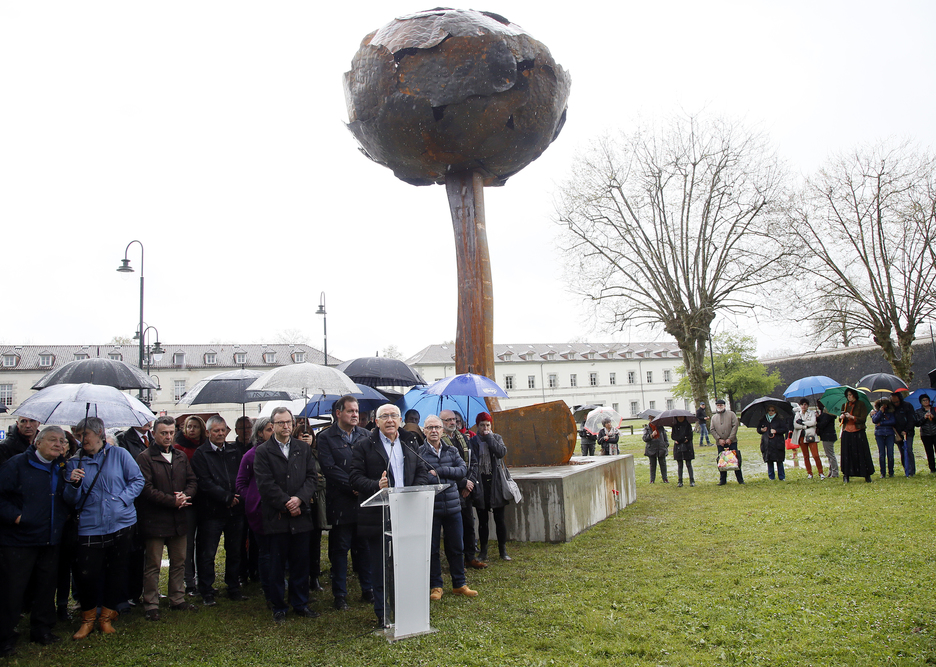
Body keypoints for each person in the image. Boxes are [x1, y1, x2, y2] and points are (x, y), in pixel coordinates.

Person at [350, 403, 431, 627]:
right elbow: (354, 478)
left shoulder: (410, 441)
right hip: (379, 516)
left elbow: (421, 471)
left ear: (399, 420)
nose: (389, 420)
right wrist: (376, 484)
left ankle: (404, 609)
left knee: (405, 565)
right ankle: (382, 614)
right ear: (376, 422)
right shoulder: (364, 446)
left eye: (394, 416)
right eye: (384, 416)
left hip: (407, 513)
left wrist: (416, 490)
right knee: (381, 567)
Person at [64, 417, 144, 639]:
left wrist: (122, 500)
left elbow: (137, 480)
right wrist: (73, 484)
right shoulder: (75, 462)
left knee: (117, 570)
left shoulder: (119, 455)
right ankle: (88, 618)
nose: (82, 441)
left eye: (85, 435)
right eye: (79, 436)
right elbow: (70, 500)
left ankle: (107, 616)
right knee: (87, 574)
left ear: (99, 433)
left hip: (121, 522)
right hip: (89, 525)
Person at [0, 426, 70, 656]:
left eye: (61, 440)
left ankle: (42, 629)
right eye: (52, 440)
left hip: (50, 538)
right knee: (12, 590)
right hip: (19, 540)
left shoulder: (61, 467)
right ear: (38, 443)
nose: (58, 444)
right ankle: (5, 637)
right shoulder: (17, 464)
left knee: (45, 586)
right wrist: (17, 517)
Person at [254, 407, 320, 624]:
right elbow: (265, 484)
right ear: (272, 425)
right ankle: (278, 606)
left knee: (301, 562)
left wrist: (299, 499)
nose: (286, 427)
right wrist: (286, 502)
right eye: (281, 423)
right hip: (277, 517)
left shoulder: (303, 448)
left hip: (301, 516)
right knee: (276, 564)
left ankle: (300, 603)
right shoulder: (263, 452)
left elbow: (312, 477)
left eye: (288, 422)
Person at [135, 416, 198, 621]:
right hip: (155, 519)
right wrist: (173, 501)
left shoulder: (180, 456)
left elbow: (192, 480)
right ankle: (151, 603)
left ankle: (177, 598)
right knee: (153, 563)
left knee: (179, 561)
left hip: (178, 519)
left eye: (171, 433)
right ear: (154, 434)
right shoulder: (144, 458)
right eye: (164, 433)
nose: (168, 437)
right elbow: (146, 489)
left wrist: (185, 496)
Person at [317, 396, 373, 611]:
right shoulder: (325, 438)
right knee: (340, 550)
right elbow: (329, 469)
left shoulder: (366, 435)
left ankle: (367, 589)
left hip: (363, 500)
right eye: (350, 411)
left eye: (357, 411)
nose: (355, 415)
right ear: (338, 413)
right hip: (341, 501)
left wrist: (364, 485)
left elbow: (370, 464)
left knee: (364, 547)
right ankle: (340, 594)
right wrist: (353, 486)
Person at [191, 415, 248, 606]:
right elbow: (204, 482)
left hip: (235, 510)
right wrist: (226, 497)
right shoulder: (201, 454)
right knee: (207, 553)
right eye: (216, 430)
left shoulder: (234, 451)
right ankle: (206, 590)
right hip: (211, 512)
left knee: (234, 551)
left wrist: (236, 497)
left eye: (223, 430)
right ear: (208, 433)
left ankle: (233, 586)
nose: (221, 434)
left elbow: (241, 475)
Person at [419, 415, 478, 600]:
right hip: (431, 507)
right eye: (430, 428)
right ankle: (436, 586)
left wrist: (440, 471)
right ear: (424, 431)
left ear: (442, 430)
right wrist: (448, 475)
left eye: (437, 427)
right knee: (433, 548)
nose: (434, 431)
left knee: (456, 546)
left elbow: (462, 471)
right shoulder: (419, 453)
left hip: (453, 506)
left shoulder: (452, 451)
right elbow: (421, 477)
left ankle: (459, 584)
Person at [235, 417, 274, 604]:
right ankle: (268, 588)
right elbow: (241, 483)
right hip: (260, 510)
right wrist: (252, 498)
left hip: (279, 509)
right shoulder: (250, 455)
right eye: (269, 430)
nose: (273, 433)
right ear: (260, 433)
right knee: (265, 551)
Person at [440, 409, 483, 570]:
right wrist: (462, 483)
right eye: (448, 420)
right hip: (453, 491)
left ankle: (470, 556)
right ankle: (457, 561)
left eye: (454, 420)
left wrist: (470, 482)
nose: (452, 422)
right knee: (454, 530)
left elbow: (473, 462)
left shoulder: (464, 439)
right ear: (441, 423)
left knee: (469, 524)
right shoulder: (441, 442)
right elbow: (444, 467)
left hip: (467, 490)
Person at [470, 412, 512, 562]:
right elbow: (472, 461)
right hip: (481, 482)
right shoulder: (473, 441)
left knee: (499, 519)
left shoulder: (496, 438)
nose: (485, 428)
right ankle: (484, 551)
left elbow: (501, 452)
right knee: (483, 520)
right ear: (478, 426)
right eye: (482, 425)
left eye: (488, 425)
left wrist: (489, 438)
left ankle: (503, 550)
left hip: (496, 482)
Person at [173, 415, 207, 595]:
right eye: (189, 426)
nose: (192, 430)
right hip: (188, 500)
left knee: (204, 542)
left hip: (206, 499)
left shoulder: (206, 447)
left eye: (195, 426)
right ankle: (189, 581)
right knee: (188, 543)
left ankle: (204, 579)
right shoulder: (178, 449)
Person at [839, 388, 875, 483]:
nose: (849, 397)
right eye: (848, 395)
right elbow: (841, 419)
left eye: (850, 395)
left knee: (862, 453)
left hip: (858, 431)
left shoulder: (861, 404)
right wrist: (841, 417)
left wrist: (852, 417)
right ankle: (846, 474)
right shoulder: (845, 405)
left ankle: (866, 474)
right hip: (847, 431)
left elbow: (862, 419)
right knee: (847, 453)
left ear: (854, 395)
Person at [710, 398, 743, 485]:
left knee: (735, 460)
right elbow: (712, 429)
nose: (719, 407)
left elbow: (735, 426)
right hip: (720, 443)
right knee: (721, 460)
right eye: (718, 405)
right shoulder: (714, 417)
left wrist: (730, 438)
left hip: (732, 442)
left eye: (721, 405)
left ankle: (740, 479)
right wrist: (719, 439)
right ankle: (723, 480)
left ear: (724, 406)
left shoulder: (731, 414)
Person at [790, 399, 823, 479]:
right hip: (801, 436)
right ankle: (809, 473)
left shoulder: (812, 413)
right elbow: (796, 425)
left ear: (807, 405)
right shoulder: (798, 414)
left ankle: (821, 472)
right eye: (802, 405)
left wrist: (802, 422)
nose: (803, 406)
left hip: (811, 435)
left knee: (815, 455)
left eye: (805, 404)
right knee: (806, 456)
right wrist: (805, 426)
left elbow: (813, 422)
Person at [890, 392, 916, 477]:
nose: (896, 404)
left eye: (897, 402)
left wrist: (907, 430)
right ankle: (906, 469)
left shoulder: (907, 406)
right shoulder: (891, 408)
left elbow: (911, 419)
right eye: (894, 402)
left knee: (908, 450)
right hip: (897, 433)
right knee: (902, 451)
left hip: (908, 432)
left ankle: (912, 470)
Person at [870, 398, 897, 478]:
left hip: (889, 434)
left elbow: (893, 421)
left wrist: (881, 423)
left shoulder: (891, 413)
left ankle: (891, 472)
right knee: (882, 454)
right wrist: (880, 412)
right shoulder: (876, 412)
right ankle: (883, 472)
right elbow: (874, 420)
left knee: (890, 453)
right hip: (879, 434)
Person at [815, 400, 840, 478]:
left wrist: (816, 421)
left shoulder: (827, 414)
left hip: (827, 436)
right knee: (830, 454)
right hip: (829, 435)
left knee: (830, 455)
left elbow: (822, 424)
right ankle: (831, 471)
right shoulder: (828, 414)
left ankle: (835, 472)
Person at [670, 415, 694, 487]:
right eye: (678, 417)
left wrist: (684, 439)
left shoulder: (688, 425)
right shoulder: (675, 426)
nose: (680, 418)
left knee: (688, 464)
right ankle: (680, 481)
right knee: (680, 464)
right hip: (678, 447)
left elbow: (690, 436)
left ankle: (692, 480)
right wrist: (680, 439)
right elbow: (673, 436)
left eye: (681, 417)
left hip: (687, 446)